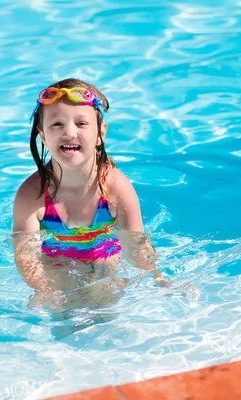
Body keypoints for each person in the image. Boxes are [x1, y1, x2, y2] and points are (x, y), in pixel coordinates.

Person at [12, 78, 173, 310]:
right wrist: (44, 289)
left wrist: (156, 276)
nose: (69, 132)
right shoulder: (31, 195)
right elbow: (26, 255)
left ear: (100, 134)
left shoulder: (116, 188)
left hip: (104, 256)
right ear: (43, 136)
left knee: (107, 301)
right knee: (61, 312)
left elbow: (137, 243)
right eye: (57, 124)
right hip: (56, 262)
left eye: (81, 123)